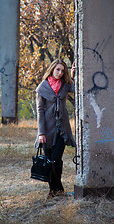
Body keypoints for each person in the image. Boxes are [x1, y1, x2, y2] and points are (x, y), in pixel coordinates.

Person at [35, 58, 75, 198]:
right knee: (49, 161)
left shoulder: (65, 85)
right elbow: (40, 111)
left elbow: (75, 88)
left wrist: (73, 74)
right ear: (52, 69)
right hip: (47, 130)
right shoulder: (42, 88)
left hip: (62, 129)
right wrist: (41, 133)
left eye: (62, 71)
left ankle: (57, 189)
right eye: (57, 69)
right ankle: (55, 190)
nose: (60, 72)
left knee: (56, 159)